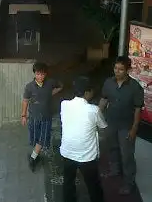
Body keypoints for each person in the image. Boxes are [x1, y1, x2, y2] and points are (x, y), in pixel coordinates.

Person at [99, 56, 144, 195]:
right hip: (111, 122)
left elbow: (137, 109)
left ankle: (128, 183)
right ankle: (114, 170)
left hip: (126, 125)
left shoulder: (135, 87)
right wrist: (96, 116)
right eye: (115, 68)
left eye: (121, 69)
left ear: (128, 70)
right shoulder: (108, 82)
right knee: (112, 148)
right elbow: (103, 100)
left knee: (127, 155)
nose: (117, 71)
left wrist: (134, 128)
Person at [60, 76, 107, 202]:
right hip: (87, 156)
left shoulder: (64, 104)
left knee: (68, 182)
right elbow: (103, 128)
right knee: (93, 185)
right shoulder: (94, 110)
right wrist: (101, 108)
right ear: (87, 92)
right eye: (92, 91)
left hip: (67, 152)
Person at [22, 62, 63, 171]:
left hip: (46, 117)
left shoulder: (50, 83)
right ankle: (35, 154)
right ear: (34, 73)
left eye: (42, 74)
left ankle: (33, 158)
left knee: (43, 138)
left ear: (46, 74)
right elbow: (25, 101)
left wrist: (51, 93)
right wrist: (23, 116)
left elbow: (60, 86)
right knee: (36, 138)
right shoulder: (29, 87)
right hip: (34, 117)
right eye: (38, 74)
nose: (40, 77)